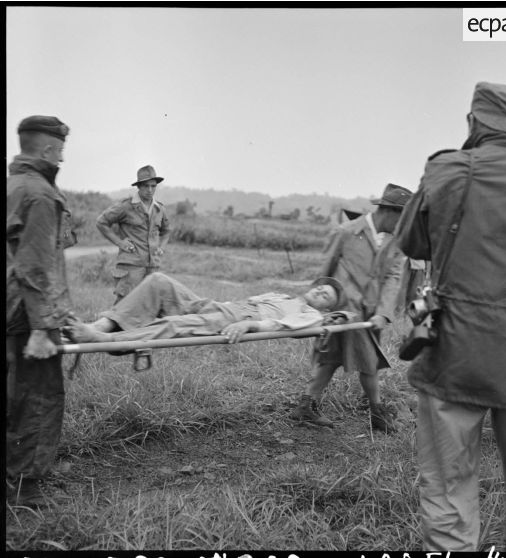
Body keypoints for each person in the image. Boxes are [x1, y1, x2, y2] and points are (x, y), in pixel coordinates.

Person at [396, 82, 506, 552]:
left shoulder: (448, 169)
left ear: (474, 123)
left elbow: (412, 244)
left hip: (454, 352)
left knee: (447, 484)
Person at [290, 183, 412, 431]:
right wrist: (316, 306)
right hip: (343, 312)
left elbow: (393, 278)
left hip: (370, 314)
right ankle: (376, 412)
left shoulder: (397, 242)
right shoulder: (346, 231)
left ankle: (306, 405)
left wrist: (383, 313)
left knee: (335, 359)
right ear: (390, 212)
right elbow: (325, 269)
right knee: (366, 359)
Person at [6, 115, 74, 505]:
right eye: (61, 148)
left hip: (13, 305)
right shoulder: (40, 194)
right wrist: (42, 326)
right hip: (25, 313)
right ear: (48, 148)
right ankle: (25, 487)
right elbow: (34, 264)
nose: (63, 155)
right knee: (38, 396)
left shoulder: (15, 183)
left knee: (15, 392)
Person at [64, 272, 348, 345]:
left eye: (326, 296)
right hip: (227, 307)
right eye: (320, 287)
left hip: (243, 317)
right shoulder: (283, 294)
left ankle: (107, 340)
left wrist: (249, 326)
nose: (320, 291)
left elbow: (280, 326)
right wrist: (214, 307)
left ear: (326, 308)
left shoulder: (310, 316)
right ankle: (102, 325)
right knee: (159, 281)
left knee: (177, 324)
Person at [96, 165, 171, 302]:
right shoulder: (126, 207)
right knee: (124, 307)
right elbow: (101, 222)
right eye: (146, 186)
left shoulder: (159, 209)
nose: (150, 190)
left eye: (153, 186)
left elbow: (166, 231)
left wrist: (162, 247)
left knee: (150, 307)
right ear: (139, 187)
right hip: (130, 267)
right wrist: (120, 242)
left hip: (152, 267)